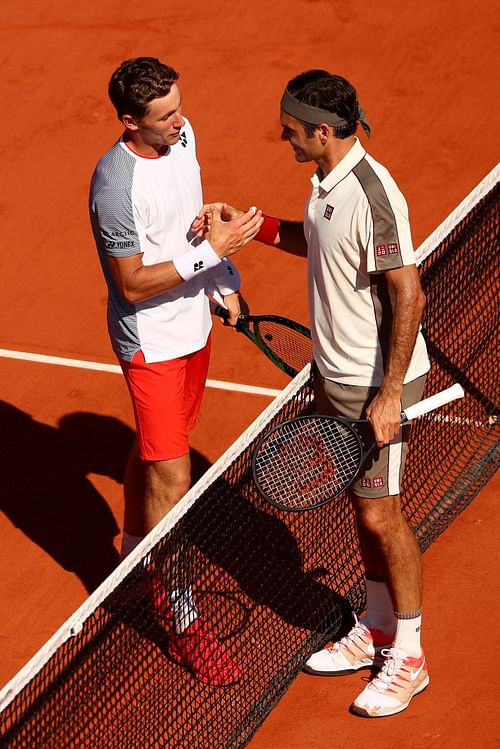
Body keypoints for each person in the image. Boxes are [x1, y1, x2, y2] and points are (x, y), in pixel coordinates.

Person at [193, 70, 431, 716]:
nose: (283, 135)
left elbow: (408, 292)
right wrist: (250, 227)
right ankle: (379, 624)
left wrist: (387, 395)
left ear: (322, 131)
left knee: (384, 511)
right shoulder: (326, 184)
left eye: (290, 128)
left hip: (374, 379)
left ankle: (409, 655)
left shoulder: (373, 192)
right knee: (361, 505)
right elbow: (318, 241)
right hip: (336, 373)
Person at [89, 56, 262, 686]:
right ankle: (181, 616)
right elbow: (132, 285)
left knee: (158, 448)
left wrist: (223, 279)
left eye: (179, 106)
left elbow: (190, 217)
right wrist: (210, 256)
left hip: (193, 327)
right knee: (173, 475)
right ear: (130, 121)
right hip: (152, 344)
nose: (179, 120)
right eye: (164, 116)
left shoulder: (182, 136)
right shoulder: (115, 187)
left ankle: (133, 562)